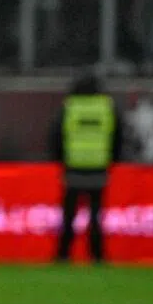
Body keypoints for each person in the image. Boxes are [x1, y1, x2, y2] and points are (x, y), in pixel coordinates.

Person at [49, 73, 123, 263]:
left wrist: (60, 160)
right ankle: (97, 255)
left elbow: (56, 136)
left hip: (73, 167)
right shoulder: (106, 108)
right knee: (96, 215)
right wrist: (111, 160)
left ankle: (63, 255)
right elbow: (117, 136)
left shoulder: (69, 107)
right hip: (98, 168)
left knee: (68, 215)